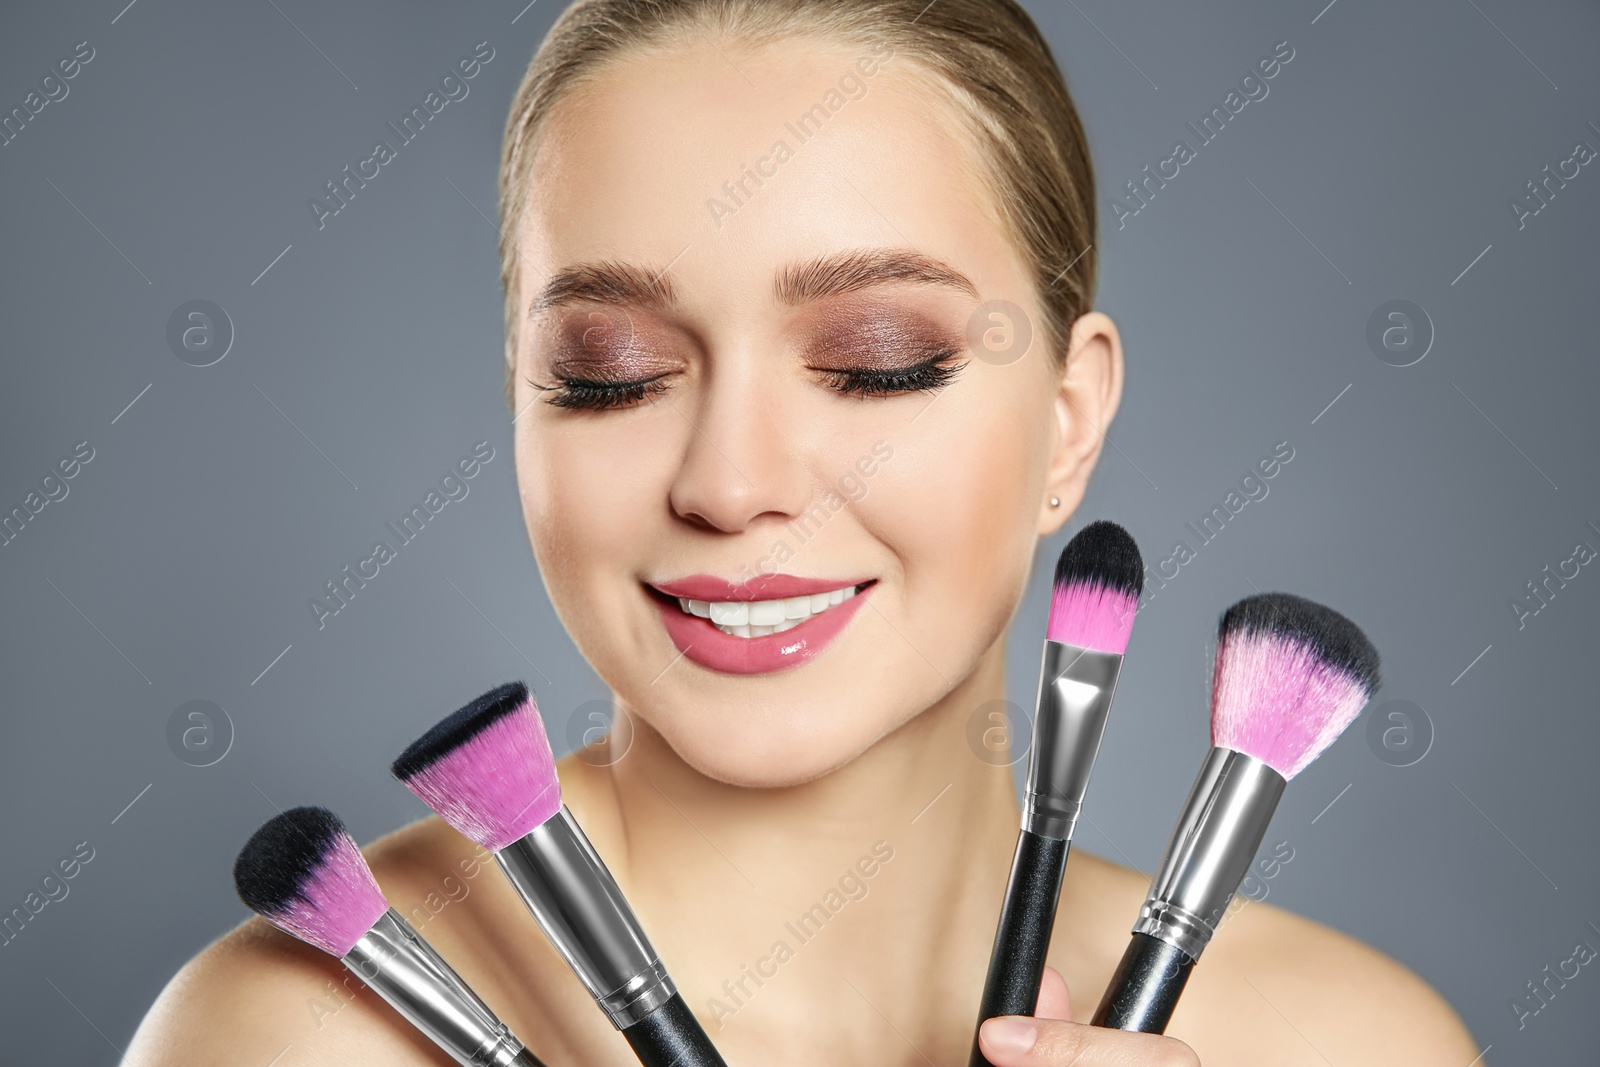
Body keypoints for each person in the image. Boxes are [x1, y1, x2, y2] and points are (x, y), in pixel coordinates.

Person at [127, 1, 1478, 1062]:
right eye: (611, 372)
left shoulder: (1346, 1046)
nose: (730, 481)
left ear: (1069, 420)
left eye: (876, 362)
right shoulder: (288, 1040)